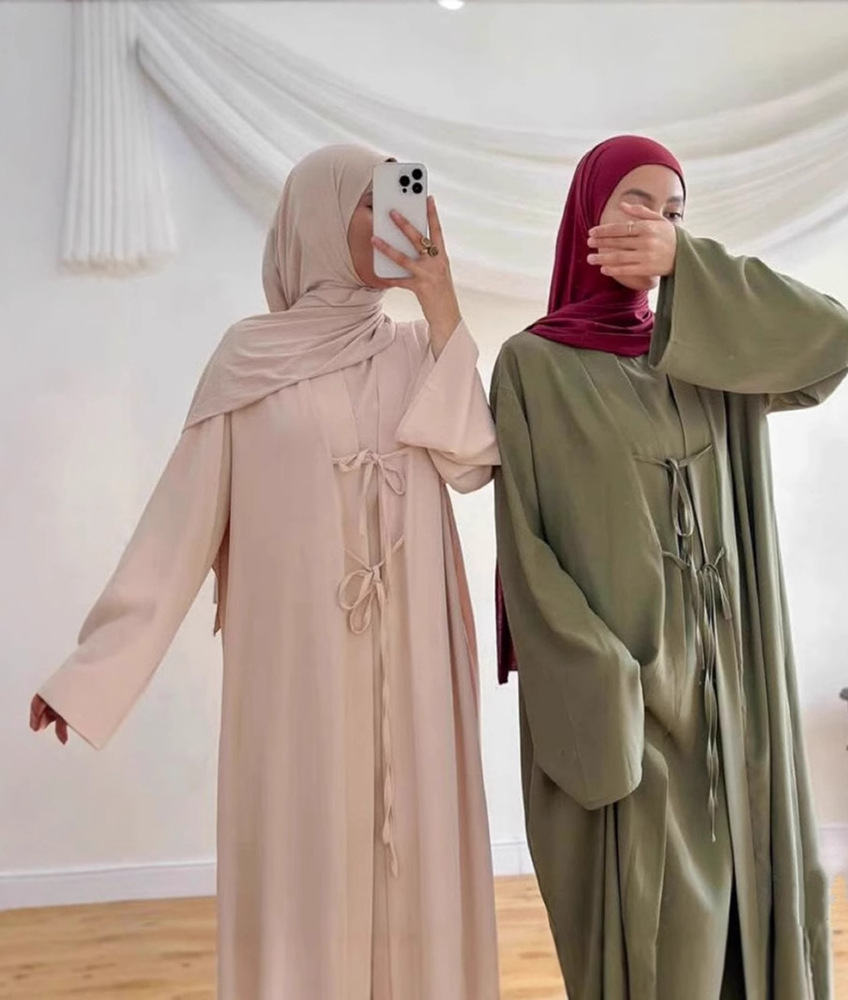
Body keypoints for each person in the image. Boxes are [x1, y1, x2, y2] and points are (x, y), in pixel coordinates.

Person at [30, 145, 501, 1000]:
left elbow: (473, 462)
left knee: (415, 866)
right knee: (307, 866)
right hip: (300, 682)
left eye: (393, 200)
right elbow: (177, 527)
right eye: (368, 203)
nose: (391, 219)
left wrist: (441, 303)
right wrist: (90, 674)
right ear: (316, 222)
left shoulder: (415, 349)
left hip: (415, 678)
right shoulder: (246, 359)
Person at [491, 135, 848, 1000]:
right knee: (661, 939)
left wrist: (690, 266)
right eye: (636, 201)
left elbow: (832, 340)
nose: (656, 221)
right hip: (630, 700)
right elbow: (524, 547)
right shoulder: (533, 365)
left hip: (738, 692)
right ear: (588, 215)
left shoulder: (710, 355)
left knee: (752, 918)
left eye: (674, 212)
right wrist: (607, 675)